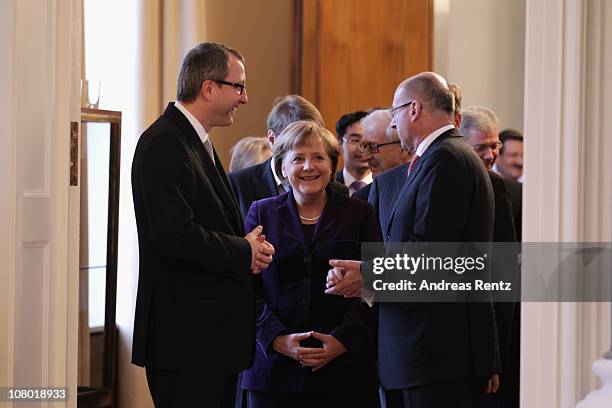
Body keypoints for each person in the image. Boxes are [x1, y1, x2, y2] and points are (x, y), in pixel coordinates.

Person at [326, 72, 500, 408]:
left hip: (434, 354)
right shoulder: (441, 157)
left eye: (395, 114)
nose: (393, 125)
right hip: (422, 355)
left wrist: (368, 274)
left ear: (414, 109)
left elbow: (431, 256)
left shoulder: (446, 158)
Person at [131, 42, 275, 408]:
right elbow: (173, 235)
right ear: (209, 88)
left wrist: (247, 248)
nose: (244, 98)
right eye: (239, 86)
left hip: (207, 339)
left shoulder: (193, 142)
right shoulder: (165, 142)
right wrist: (244, 250)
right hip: (186, 340)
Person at [241, 120, 381, 407]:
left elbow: (377, 284)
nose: (309, 167)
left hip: (345, 371)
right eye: (298, 159)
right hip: (274, 371)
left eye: (318, 157)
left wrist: (343, 341)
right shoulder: (261, 212)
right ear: (282, 168)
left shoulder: (360, 213)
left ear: (331, 166)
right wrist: (277, 339)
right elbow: (246, 287)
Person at [460, 105, 520, 408]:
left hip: (501, 322)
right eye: (481, 147)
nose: (490, 154)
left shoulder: (511, 192)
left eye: (495, 145)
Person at [229, 95, 348, 219]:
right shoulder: (237, 185)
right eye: (295, 142)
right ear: (272, 139)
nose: (307, 166)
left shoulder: (338, 192)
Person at [353, 109, 412, 201]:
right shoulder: (362, 200)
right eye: (364, 146)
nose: (365, 157)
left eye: (373, 147)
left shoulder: (425, 188)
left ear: (403, 148)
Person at [335, 111, 372, 195]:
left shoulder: (384, 186)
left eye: (368, 141)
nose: (362, 148)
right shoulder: (328, 186)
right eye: (355, 140)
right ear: (340, 142)